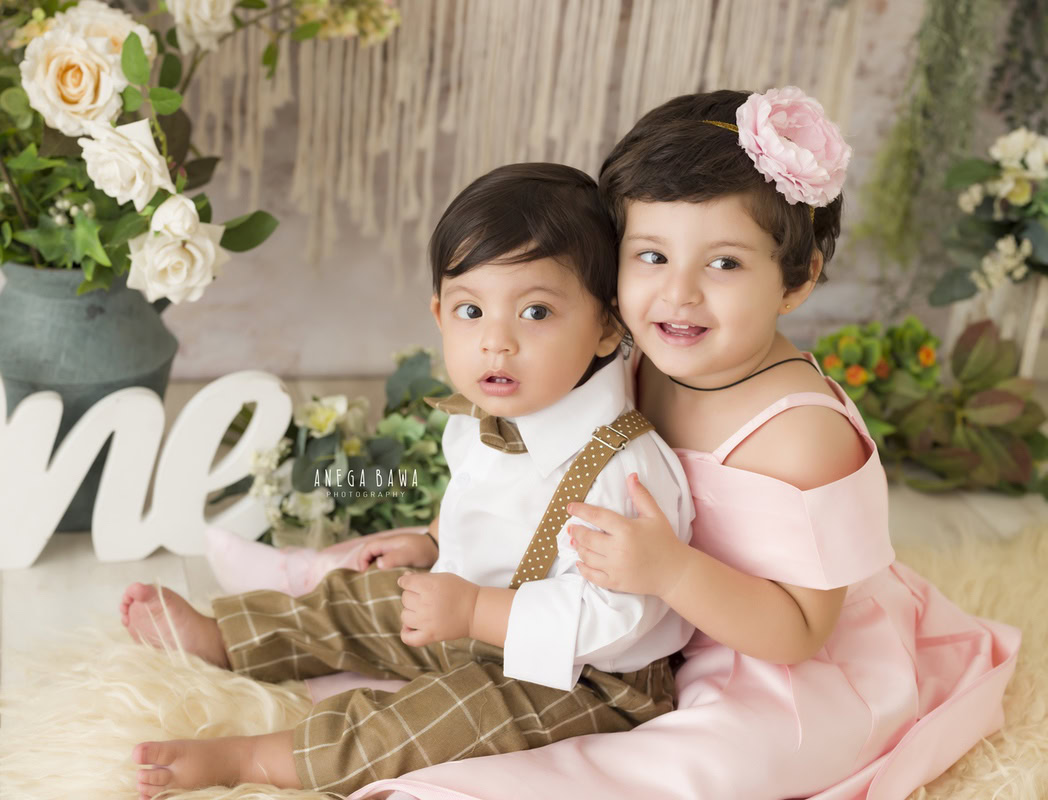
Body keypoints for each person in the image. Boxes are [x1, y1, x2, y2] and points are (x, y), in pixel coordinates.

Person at [337, 88, 1021, 800]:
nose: (679, 294)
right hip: (641, 624)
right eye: (651, 256)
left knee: (714, 765)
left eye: (724, 264)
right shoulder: (640, 360)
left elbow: (799, 632)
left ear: (798, 278)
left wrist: (671, 572)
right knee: (451, 631)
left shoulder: (803, 434)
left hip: (765, 656)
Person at [119, 162, 695, 799]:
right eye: (470, 310)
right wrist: (430, 540)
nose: (495, 343)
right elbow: (486, 507)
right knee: (360, 599)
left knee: (439, 720)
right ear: (439, 314)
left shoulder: (621, 468)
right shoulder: (484, 415)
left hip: (583, 679)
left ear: (608, 326)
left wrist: (477, 609)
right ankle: (228, 637)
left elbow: (620, 615)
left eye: (535, 311)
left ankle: (258, 761)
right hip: (469, 613)